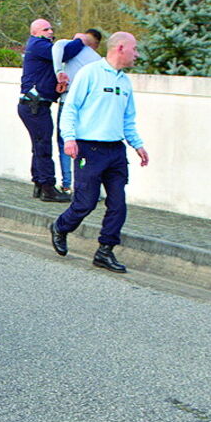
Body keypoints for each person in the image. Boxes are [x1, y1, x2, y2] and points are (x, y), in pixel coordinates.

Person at [48, 32, 149, 274]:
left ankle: (105, 251)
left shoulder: (124, 82)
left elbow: (128, 119)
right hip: (89, 149)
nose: (137, 54)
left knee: (118, 204)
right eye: (134, 50)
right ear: (121, 48)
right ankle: (61, 227)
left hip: (115, 150)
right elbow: (70, 108)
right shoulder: (90, 74)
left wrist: (138, 145)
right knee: (86, 202)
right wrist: (69, 139)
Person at [17, 19, 84, 202]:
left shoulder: (40, 46)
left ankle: (39, 184)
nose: (50, 31)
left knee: (39, 145)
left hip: (33, 105)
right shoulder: (39, 45)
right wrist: (79, 40)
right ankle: (48, 188)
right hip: (35, 106)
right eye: (45, 29)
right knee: (43, 146)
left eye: (51, 29)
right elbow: (67, 52)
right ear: (35, 32)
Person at [52, 29, 103, 191]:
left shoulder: (68, 47)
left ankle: (67, 184)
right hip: (88, 106)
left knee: (64, 143)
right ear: (96, 44)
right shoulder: (97, 60)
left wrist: (58, 71)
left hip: (68, 103)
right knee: (87, 145)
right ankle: (87, 186)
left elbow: (57, 46)